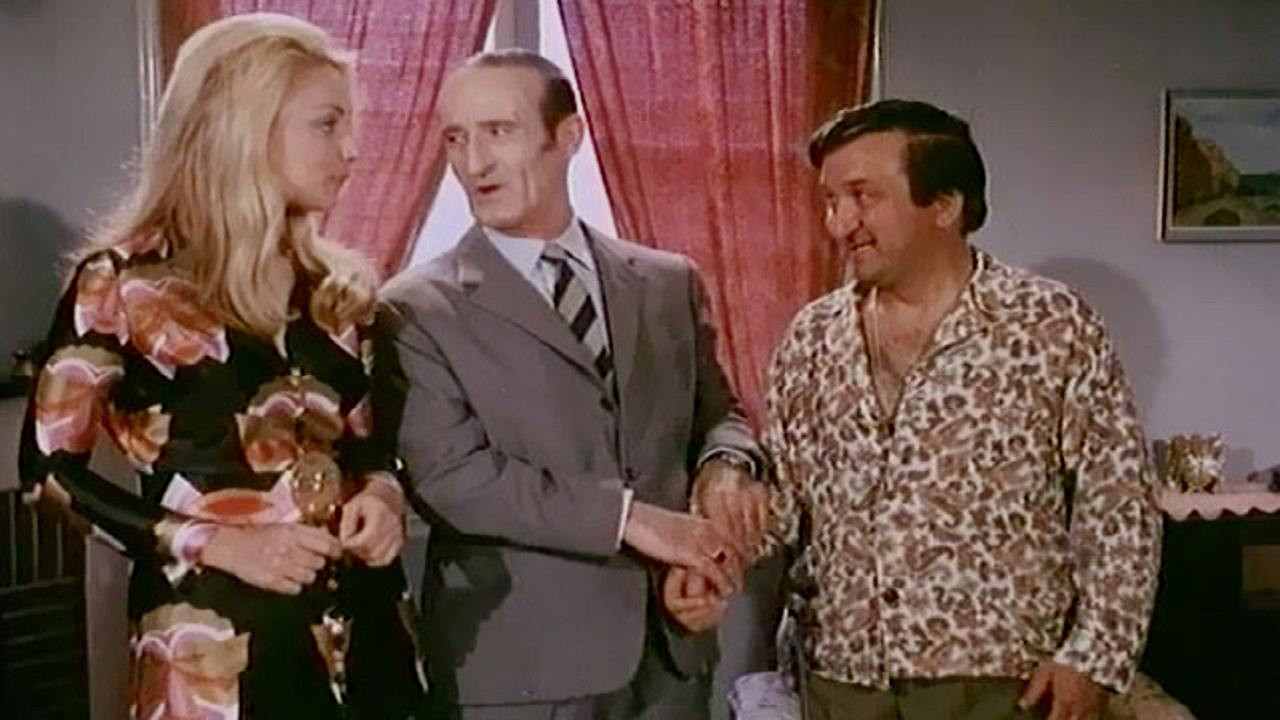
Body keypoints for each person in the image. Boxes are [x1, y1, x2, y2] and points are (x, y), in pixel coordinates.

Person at [17, 13, 421, 719]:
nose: (352, 150)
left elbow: (370, 450)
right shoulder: (124, 286)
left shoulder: (339, 292)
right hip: (216, 653)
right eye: (327, 125)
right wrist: (218, 542)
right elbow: (49, 472)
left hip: (365, 634)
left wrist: (383, 498)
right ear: (245, 126)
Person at [373, 49, 767, 719]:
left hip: (671, 660)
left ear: (568, 137)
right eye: (456, 138)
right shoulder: (417, 307)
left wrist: (727, 466)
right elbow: (454, 479)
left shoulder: (666, 283)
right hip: (519, 673)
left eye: (499, 131)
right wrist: (636, 521)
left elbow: (718, 413)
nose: (474, 163)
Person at [744, 99, 1161, 719]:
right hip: (843, 679)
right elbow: (781, 503)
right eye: (831, 201)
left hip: (1003, 681)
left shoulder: (1049, 325)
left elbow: (1118, 504)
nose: (840, 223)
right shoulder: (813, 336)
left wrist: (1094, 658)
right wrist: (708, 532)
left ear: (944, 205)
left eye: (862, 197)